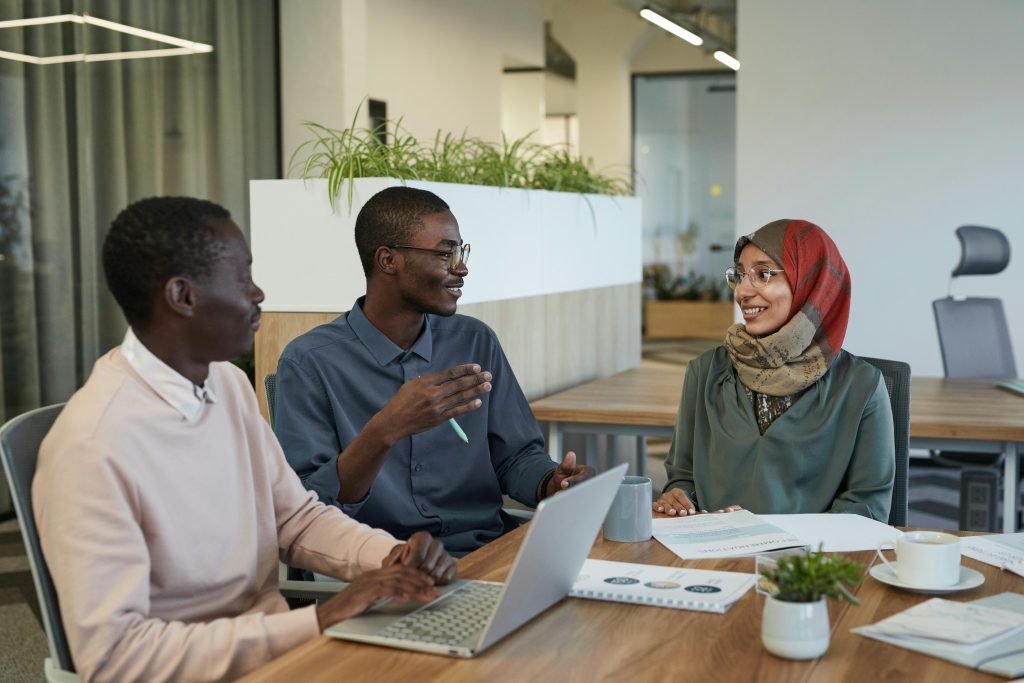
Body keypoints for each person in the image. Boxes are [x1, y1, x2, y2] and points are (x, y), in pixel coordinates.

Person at [33, 197, 456, 682]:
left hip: (284, 657)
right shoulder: (92, 447)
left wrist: (389, 557)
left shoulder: (226, 385)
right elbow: (116, 658)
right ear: (182, 296)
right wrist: (319, 619)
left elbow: (295, 519)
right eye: (242, 277)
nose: (257, 294)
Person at [274, 186, 594, 556]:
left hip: (486, 554)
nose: (461, 267)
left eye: (460, 251)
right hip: (382, 570)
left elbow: (516, 456)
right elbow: (308, 505)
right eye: (445, 254)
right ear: (388, 260)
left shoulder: (474, 341)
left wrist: (549, 483)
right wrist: (386, 428)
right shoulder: (310, 362)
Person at [653, 219, 895, 520]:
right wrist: (679, 498)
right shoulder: (705, 372)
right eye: (739, 275)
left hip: (810, 561)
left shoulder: (861, 386)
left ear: (811, 284)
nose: (742, 290)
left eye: (763, 274)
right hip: (713, 556)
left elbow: (866, 508)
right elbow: (682, 476)